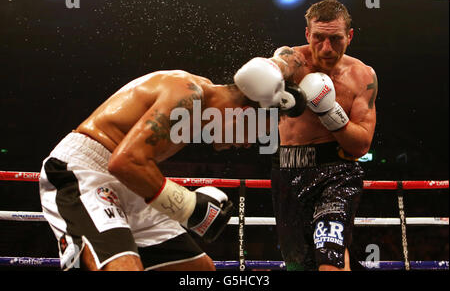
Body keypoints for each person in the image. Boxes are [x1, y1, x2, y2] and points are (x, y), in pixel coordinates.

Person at [38, 68, 303, 271]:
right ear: (243, 112)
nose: (246, 144)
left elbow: (288, 60)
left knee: (198, 270)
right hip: (85, 173)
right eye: (255, 132)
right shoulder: (188, 95)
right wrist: (188, 206)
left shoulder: (201, 109)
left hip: (128, 183)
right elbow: (124, 162)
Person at [233, 0, 378, 271]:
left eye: (335, 39)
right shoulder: (294, 61)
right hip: (288, 170)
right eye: (319, 38)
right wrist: (268, 75)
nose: (326, 48)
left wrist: (329, 112)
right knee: (299, 264)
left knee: (330, 255)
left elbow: (361, 145)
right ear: (307, 34)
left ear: (349, 36)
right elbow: (269, 67)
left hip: (337, 173)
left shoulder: (362, 76)